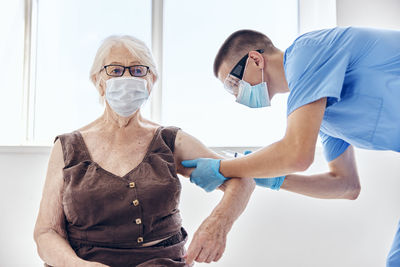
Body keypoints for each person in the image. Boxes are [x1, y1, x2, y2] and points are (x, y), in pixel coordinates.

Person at [181, 27, 400, 266]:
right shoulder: (325, 118)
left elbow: (296, 154)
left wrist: (223, 168)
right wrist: (276, 179)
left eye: (233, 83)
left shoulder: (307, 50)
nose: (236, 95)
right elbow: (346, 185)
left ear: (255, 59)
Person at [33, 35, 255, 267]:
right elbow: (46, 232)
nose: (127, 77)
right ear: (97, 80)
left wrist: (217, 224)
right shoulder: (67, 147)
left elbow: (242, 178)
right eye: (116, 70)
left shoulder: (171, 141)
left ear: (151, 80)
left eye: (138, 70)